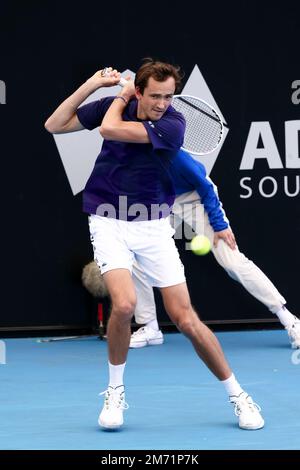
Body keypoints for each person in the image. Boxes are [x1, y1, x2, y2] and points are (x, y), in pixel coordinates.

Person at [45, 59, 264, 431]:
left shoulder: (173, 124)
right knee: (126, 304)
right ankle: (115, 391)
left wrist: (121, 95)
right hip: (108, 219)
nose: (164, 103)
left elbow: (112, 130)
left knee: (186, 319)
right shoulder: (120, 104)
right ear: (142, 92)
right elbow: (54, 124)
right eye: (156, 96)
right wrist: (92, 85)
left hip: (152, 226)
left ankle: (238, 395)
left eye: (169, 96)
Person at [130, 149, 300, 350]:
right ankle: (150, 327)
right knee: (136, 256)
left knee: (231, 262)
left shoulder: (175, 156)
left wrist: (219, 225)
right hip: (160, 203)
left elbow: (206, 187)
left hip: (195, 199)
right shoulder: (128, 151)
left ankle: (290, 319)